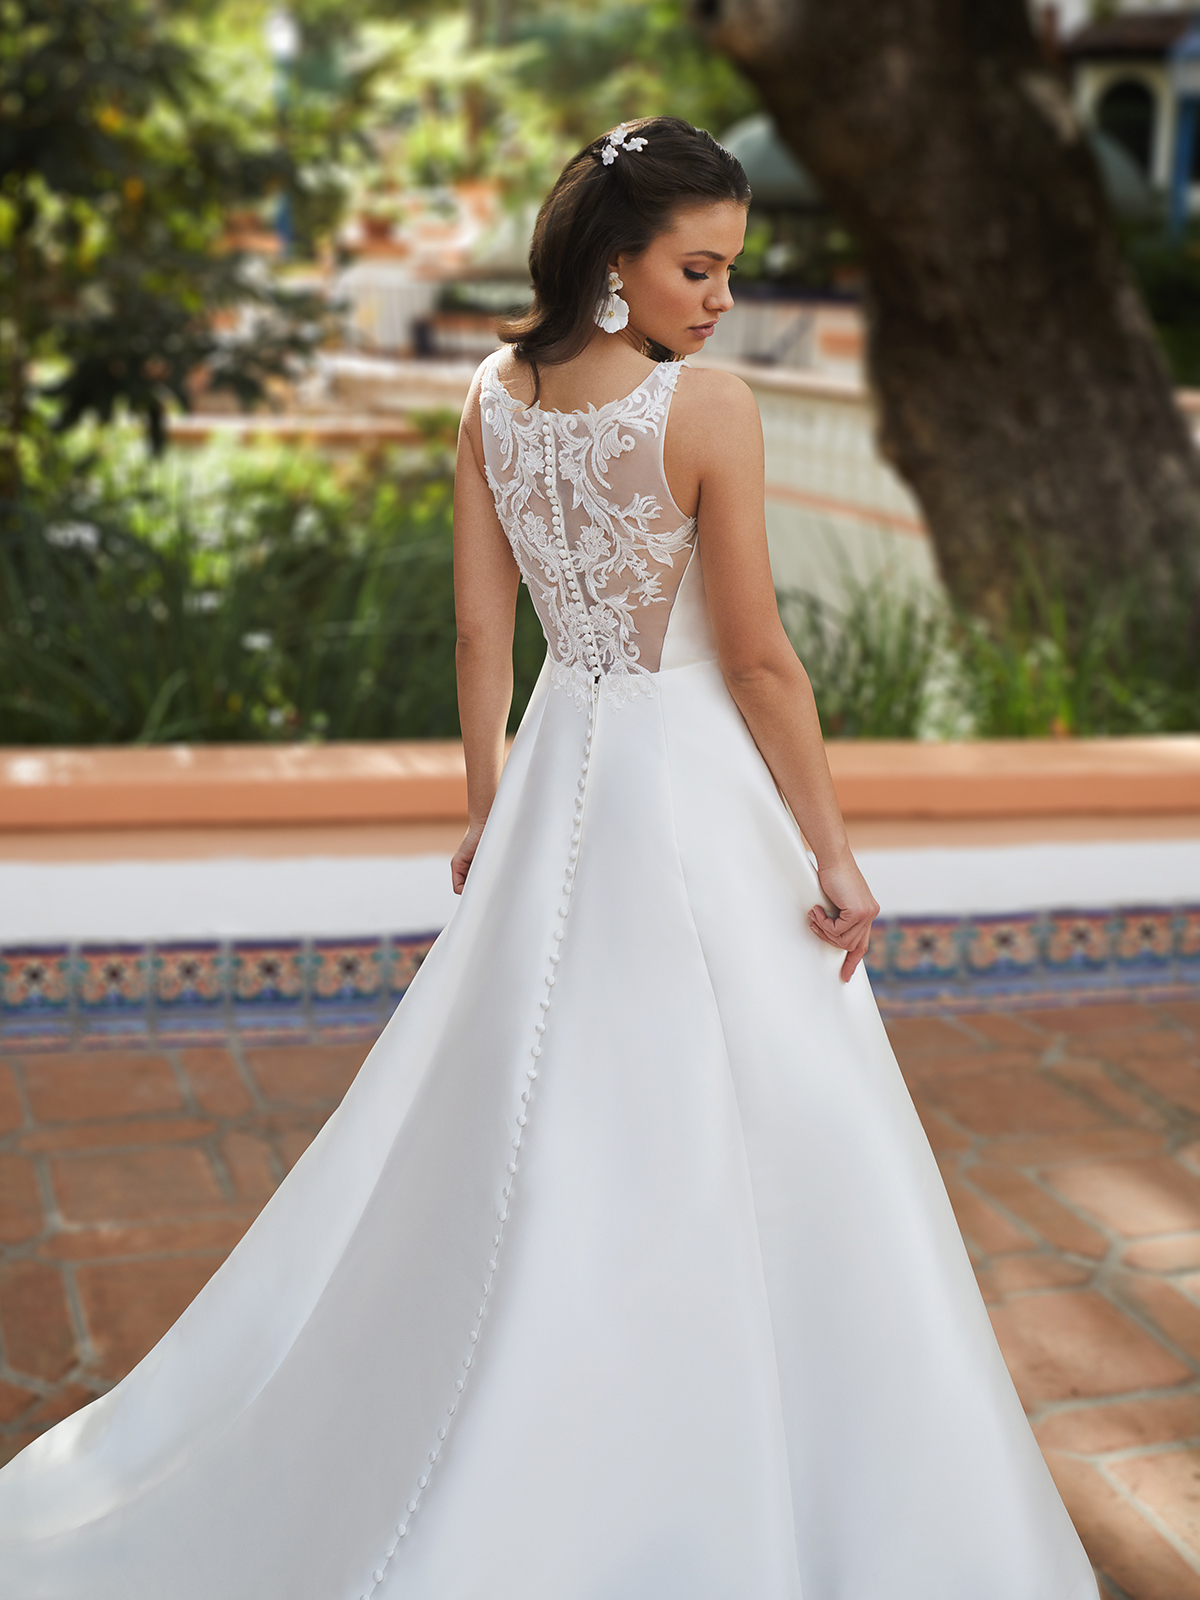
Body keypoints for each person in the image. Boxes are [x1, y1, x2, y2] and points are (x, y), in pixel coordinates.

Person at [0, 117, 1097, 1600]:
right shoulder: (704, 412)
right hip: (688, 783)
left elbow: (478, 633)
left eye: (730, 270)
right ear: (615, 262)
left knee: (529, 1099)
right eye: (698, 266)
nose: (720, 298)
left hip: (564, 765)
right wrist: (834, 852)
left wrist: (486, 804)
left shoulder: (486, 399)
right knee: (760, 1111)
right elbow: (763, 664)